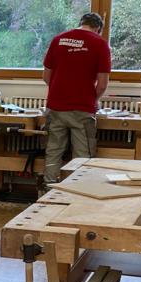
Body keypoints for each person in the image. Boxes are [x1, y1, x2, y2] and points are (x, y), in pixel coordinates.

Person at [42, 11, 111, 185]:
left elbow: (46, 76)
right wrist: (92, 98)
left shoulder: (58, 40)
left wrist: (61, 92)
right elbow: (102, 84)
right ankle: (77, 192)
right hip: (82, 109)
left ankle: (49, 190)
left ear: (81, 23)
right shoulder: (100, 44)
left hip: (55, 107)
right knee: (82, 155)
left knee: (53, 151)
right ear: (98, 29)